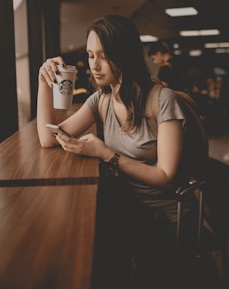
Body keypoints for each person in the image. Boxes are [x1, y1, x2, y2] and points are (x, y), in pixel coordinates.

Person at [37, 15, 212, 289]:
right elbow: (49, 137)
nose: (94, 65)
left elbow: (165, 175)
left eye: (103, 56)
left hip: (164, 214)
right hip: (127, 204)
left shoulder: (162, 100)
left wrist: (107, 154)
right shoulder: (102, 99)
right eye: (90, 55)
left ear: (125, 55)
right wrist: (43, 82)